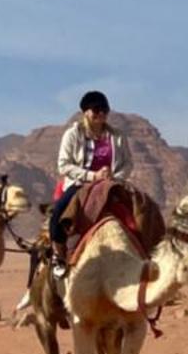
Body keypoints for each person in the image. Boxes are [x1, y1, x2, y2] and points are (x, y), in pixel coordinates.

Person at [47, 91, 131, 274]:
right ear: (85, 112)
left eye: (105, 110)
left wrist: (115, 177)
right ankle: (58, 256)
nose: (101, 114)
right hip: (80, 184)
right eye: (96, 109)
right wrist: (92, 176)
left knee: (141, 210)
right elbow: (64, 165)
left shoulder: (117, 136)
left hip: (111, 184)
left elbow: (128, 163)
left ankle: (144, 255)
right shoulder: (73, 134)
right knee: (58, 215)